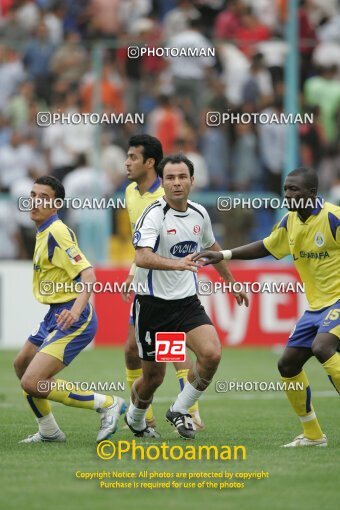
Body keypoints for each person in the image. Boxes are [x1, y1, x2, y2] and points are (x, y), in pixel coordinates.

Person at [194, 167, 340, 447]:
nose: (288, 194)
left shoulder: (333, 218)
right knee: (288, 365)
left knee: (323, 348)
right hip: (316, 308)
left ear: (311, 193)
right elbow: (267, 246)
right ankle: (312, 435)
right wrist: (224, 254)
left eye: (295, 190)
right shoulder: (289, 222)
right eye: (286, 189)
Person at [124, 154, 248, 439]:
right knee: (153, 378)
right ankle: (136, 416)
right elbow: (142, 257)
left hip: (186, 303)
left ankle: (180, 408)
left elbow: (211, 247)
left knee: (211, 353)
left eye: (182, 177)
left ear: (192, 180)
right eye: (170, 178)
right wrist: (176, 264)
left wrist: (231, 281)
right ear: (163, 182)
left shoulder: (199, 213)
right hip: (153, 306)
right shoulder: (154, 214)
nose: (176, 183)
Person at [13, 176, 125, 444]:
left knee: (32, 381)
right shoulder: (43, 230)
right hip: (55, 313)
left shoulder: (57, 231)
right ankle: (49, 431)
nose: (35, 201)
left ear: (57, 204)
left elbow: (89, 275)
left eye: (43, 197)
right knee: (21, 365)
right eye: (33, 195)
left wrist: (75, 311)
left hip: (74, 316)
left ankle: (107, 403)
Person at [122, 135, 205, 431]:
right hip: (147, 282)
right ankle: (145, 415)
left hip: (168, 288)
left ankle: (186, 412)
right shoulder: (131, 192)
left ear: (149, 163)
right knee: (133, 351)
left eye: (132, 157)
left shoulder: (165, 199)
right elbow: (141, 247)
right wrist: (133, 272)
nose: (126, 162)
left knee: (167, 350)